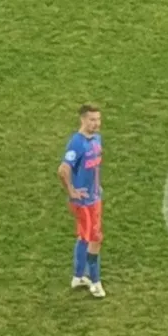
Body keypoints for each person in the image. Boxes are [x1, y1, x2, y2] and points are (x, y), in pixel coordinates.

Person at [58, 104, 105, 298]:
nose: (96, 123)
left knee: (85, 237)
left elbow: (94, 167)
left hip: (95, 197)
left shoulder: (96, 139)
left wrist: (97, 186)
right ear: (83, 120)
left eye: (98, 119)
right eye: (92, 120)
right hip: (83, 202)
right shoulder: (77, 143)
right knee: (96, 238)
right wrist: (72, 191)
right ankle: (95, 282)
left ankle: (78, 277)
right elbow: (63, 170)